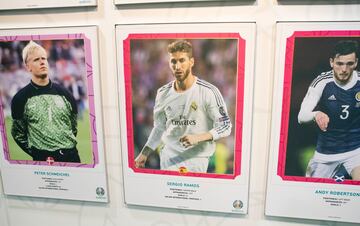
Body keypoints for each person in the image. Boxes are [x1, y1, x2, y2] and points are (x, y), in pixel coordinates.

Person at [134, 40, 232, 173]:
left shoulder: (208, 91)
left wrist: (198, 137)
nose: (177, 66)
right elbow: (159, 127)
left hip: (197, 161)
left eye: (182, 60)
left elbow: (225, 126)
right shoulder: (162, 93)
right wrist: (144, 153)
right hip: (169, 160)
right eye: (173, 61)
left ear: (191, 62)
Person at [298, 40, 360, 180]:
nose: (344, 69)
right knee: (310, 194)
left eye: (349, 64)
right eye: (339, 63)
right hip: (326, 153)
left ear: (355, 63)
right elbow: (301, 116)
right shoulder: (322, 82)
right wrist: (316, 114)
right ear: (332, 62)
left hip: (356, 151)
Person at [11, 41, 80, 163]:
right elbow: (18, 134)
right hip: (43, 161)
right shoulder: (20, 98)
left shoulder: (65, 94)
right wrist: (38, 153)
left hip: (72, 157)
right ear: (28, 67)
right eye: (36, 59)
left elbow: (73, 127)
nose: (42, 62)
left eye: (44, 58)